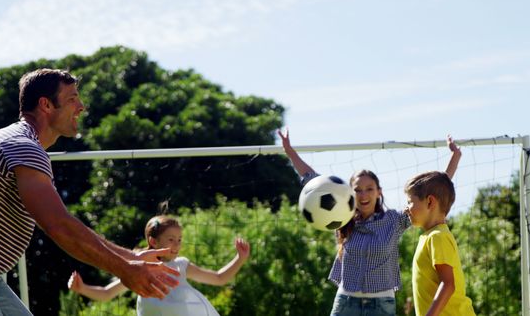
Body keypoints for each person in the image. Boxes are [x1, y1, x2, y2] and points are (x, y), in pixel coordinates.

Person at [0, 69, 179, 316]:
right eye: (72, 99)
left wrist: (131, 256)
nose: (81, 106)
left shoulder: (11, 141)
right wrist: (125, 269)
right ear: (46, 105)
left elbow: (65, 223)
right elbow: (59, 226)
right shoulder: (24, 147)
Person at [277, 128, 462, 316]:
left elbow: (434, 193)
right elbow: (313, 181)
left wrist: (455, 158)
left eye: (369, 189)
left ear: (378, 192)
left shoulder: (394, 220)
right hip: (346, 302)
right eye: (358, 190)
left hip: (381, 305)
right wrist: (289, 151)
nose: (363, 194)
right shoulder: (341, 217)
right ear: (349, 193)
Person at [68, 215, 251, 316]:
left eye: (179, 240)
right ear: (153, 242)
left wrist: (240, 259)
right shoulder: (138, 268)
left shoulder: (182, 265)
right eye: (171, 240)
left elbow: (219, 278)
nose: (177, 245)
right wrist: (82, 288)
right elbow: (107, 293)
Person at [404, 171, 475, 315]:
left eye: (410, 202)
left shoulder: (438, 237)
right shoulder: (429, 236)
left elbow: (448, 284)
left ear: (430, 202)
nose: (406, 208)